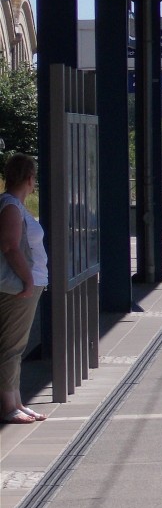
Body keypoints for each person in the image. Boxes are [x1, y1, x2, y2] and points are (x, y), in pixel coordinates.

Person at [0, 154, 48, 424]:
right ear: (29, 178)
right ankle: (9, 406)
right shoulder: (11, 206)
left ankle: (16, 401)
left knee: (14, 346)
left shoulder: (13, 205)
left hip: (19, 286)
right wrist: (28, 280)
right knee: (12, 346)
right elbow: (9, 245)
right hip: (17, 288)